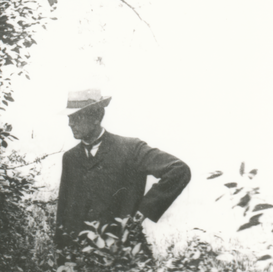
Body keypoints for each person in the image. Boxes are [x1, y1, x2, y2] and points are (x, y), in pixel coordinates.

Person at [55, 89, 191, 252]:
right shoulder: (70, 158)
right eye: (70, 118)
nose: (70, 123)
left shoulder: (130, 149)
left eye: (76, 117)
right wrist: (62, 257)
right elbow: (64, 213)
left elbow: (178, 170)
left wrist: (143, 211)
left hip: (125, 254)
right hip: (83, 259)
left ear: (96, 117)